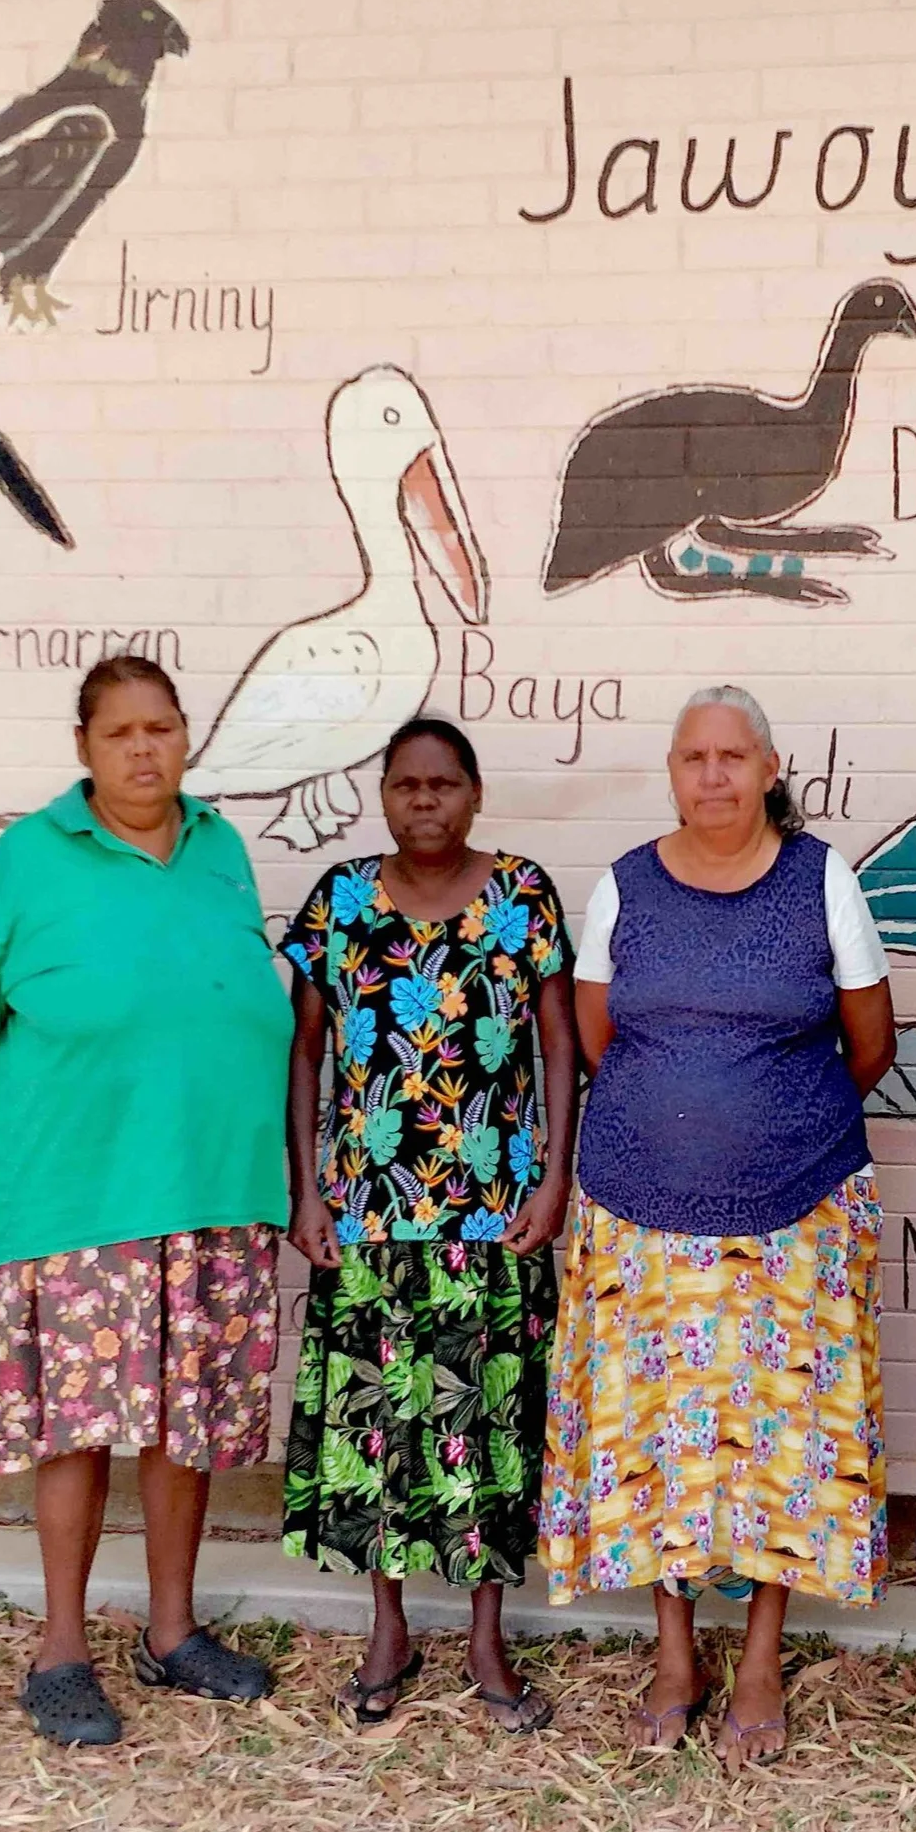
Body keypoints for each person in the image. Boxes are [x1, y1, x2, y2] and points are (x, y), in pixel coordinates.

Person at [542, 685, 896, 1771]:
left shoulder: (817, 877)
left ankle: (758, 1657)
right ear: (671, 768)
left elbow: (868, 1042)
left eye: (732, 755)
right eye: (692, 755)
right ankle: (673, 1650)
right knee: (657, 1437)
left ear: (769, 764)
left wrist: (768, 1119)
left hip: (793, 1214)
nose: (711, 774)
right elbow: (600, 1035)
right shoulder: (625, 886)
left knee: (783, 1440)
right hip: (638, 1213)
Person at [0, 656, 293, 1747]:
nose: (144, 749)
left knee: (184, 1424)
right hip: (81, 1196)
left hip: (211, 1189)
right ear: (84, 746)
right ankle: (60, 1648)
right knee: (77, 1428)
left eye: (162, 727)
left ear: (186, 735)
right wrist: (94, 1122)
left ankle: (173, 1630)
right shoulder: (26, 856)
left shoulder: (220, 848)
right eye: (120, 733)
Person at [280, 718, 577, 1734]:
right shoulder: (340, 900)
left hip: (491, 1217)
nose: (423, 801)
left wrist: (555, 1180)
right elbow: (307, 1051)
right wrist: (307, 1190)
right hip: (368, 1212)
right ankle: (388, 1625)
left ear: (474, 791)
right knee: (378, 1428)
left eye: (442, 784)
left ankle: (486, 1633)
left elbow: (557, 1046)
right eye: (405, 785)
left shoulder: (522, 895)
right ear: (383, 796)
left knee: (485, 1420)